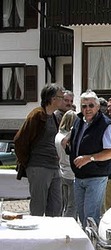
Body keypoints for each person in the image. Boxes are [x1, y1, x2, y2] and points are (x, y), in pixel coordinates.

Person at [14, 83, 66, 217]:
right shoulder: (37, 115)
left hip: (54, 166)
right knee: (38, 206)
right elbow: (20, 140)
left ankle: (53, 236)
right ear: (53, 99)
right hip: (39, 165)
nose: (64, 100)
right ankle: (36, 237)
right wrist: (27, 163)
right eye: (61, 97)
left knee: (56, 206)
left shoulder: (54, 116)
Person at [68, 90, 111, 227]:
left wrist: (89, 158)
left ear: (97, 106)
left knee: (90, 217)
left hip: (96, 176)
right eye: (84, 106)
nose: (87, 109)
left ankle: (92, 246)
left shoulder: (106, 125)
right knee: (82, 216)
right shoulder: (79, 121)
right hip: (79, 176)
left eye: (91, 105)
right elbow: (75, 142)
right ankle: (86, 245)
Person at [55, 110, 78, 218]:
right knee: (72, 205)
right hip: (71, 172)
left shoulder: (57, 135)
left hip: (62, 170)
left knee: (63, 204)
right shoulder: (69, 137)